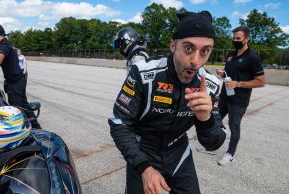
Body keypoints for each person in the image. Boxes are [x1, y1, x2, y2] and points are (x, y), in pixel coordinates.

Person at [108, 11, 226, 194]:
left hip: (179, 150)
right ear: (173, 45)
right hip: (144, 149)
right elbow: (119, 123)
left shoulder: (210, 85)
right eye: (188, 48)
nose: (195, 61)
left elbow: (213, 143)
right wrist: (144, 168)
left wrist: (206, 119)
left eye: (205, 51)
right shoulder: (143, 72)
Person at [216, 26, 266, 166]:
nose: (235, 40)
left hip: (238, 101)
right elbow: (229, 72)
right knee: (215, 120)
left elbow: (261, 82)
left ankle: (230, 154)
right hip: (224, 96)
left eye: (238, 38)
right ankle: (211, 144)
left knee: (234, 127)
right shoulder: (231, 54)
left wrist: (238, 84)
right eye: (233, 38)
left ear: (246, 39)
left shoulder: (252, 57)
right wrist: (222, 73)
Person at [0, 24, 41, 129]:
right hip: (17, 81)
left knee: (16, 109)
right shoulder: (5, 44)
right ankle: (36, 128)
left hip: (15, 83)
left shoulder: (3, 45)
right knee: (24, 106)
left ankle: (24, 132)